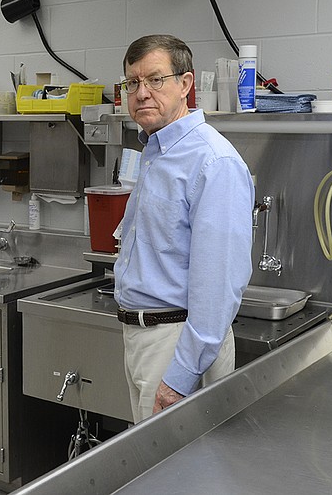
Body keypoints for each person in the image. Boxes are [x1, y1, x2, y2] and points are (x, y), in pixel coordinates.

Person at [113, 34, 254, 423]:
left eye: (155, 80)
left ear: (186, 85)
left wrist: (179, 376)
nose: (142, 93)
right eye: (132, 83)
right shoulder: (156, 152)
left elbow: (218, 287)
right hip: (143, 339)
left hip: (177, 343)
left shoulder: (212, 162)